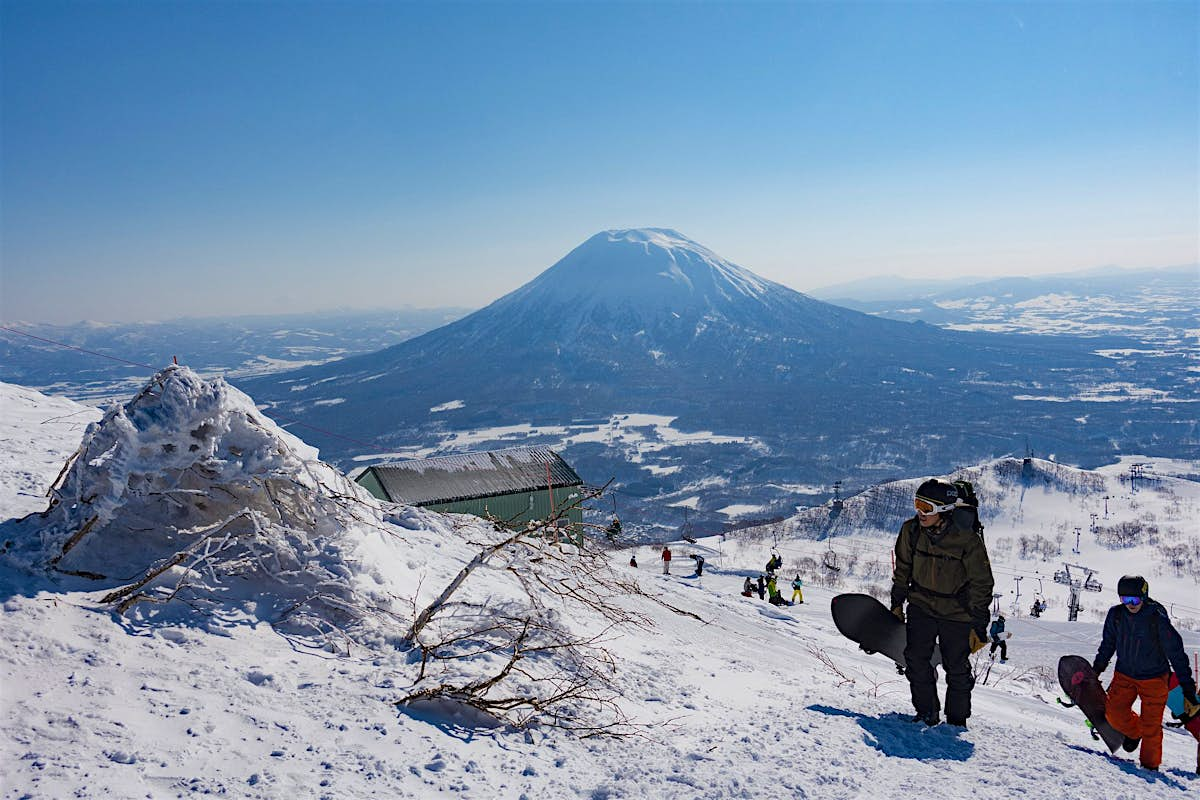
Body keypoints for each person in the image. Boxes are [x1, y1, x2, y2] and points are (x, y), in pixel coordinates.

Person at [890, 479, 995, 728]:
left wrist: (979, 624)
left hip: (957, 612)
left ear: (944, 510)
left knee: (956, 667)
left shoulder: (966, 539)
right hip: (921, 604)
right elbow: (903, 569)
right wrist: (897, 603)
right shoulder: (911, 531)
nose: (920, 513)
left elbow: (982, 582)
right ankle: (927, 713)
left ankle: (957, 721)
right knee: (915, 660)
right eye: (917, 505)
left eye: (926, 508)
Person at [1092, 575, 1198, 772]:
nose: (1130, 605)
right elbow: (1108, 645)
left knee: (1152, 727)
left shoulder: (1156, 617)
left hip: (1154, 678)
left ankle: (1150, 768)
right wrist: (1097, 669)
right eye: (1125, 600)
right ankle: (1134, 732)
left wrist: (1188, 688)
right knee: (1114, 714)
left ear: (1144, 596)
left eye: (1135, 600)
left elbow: (1176, 652)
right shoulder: (1116, 615)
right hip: (1124, 674)